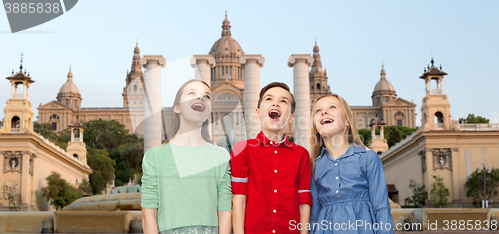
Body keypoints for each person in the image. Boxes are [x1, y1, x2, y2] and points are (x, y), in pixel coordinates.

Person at [141, 79, 232, 234]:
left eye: (207, 96)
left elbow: (224, 211)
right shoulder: (154, 156)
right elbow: (148, 215)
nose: (201, 98)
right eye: (192, 93)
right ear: (177, 108)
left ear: (209, 111)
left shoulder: (221, 156)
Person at [231, 82, 312, 234]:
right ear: (257, 112)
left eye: (283, 101)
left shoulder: (301, 154)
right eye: (269, 99)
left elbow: (304, 201)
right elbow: (239, 200)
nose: (275, 103)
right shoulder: (241, 149)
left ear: (291, 117)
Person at [309, 94, 394, 234]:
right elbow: (313, 216)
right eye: (318, 110)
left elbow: (382, 207)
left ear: (347, 121)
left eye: (332, 107)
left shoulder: (368, 157)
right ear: (316, 127)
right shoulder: (314, 166)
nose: (323, 112)